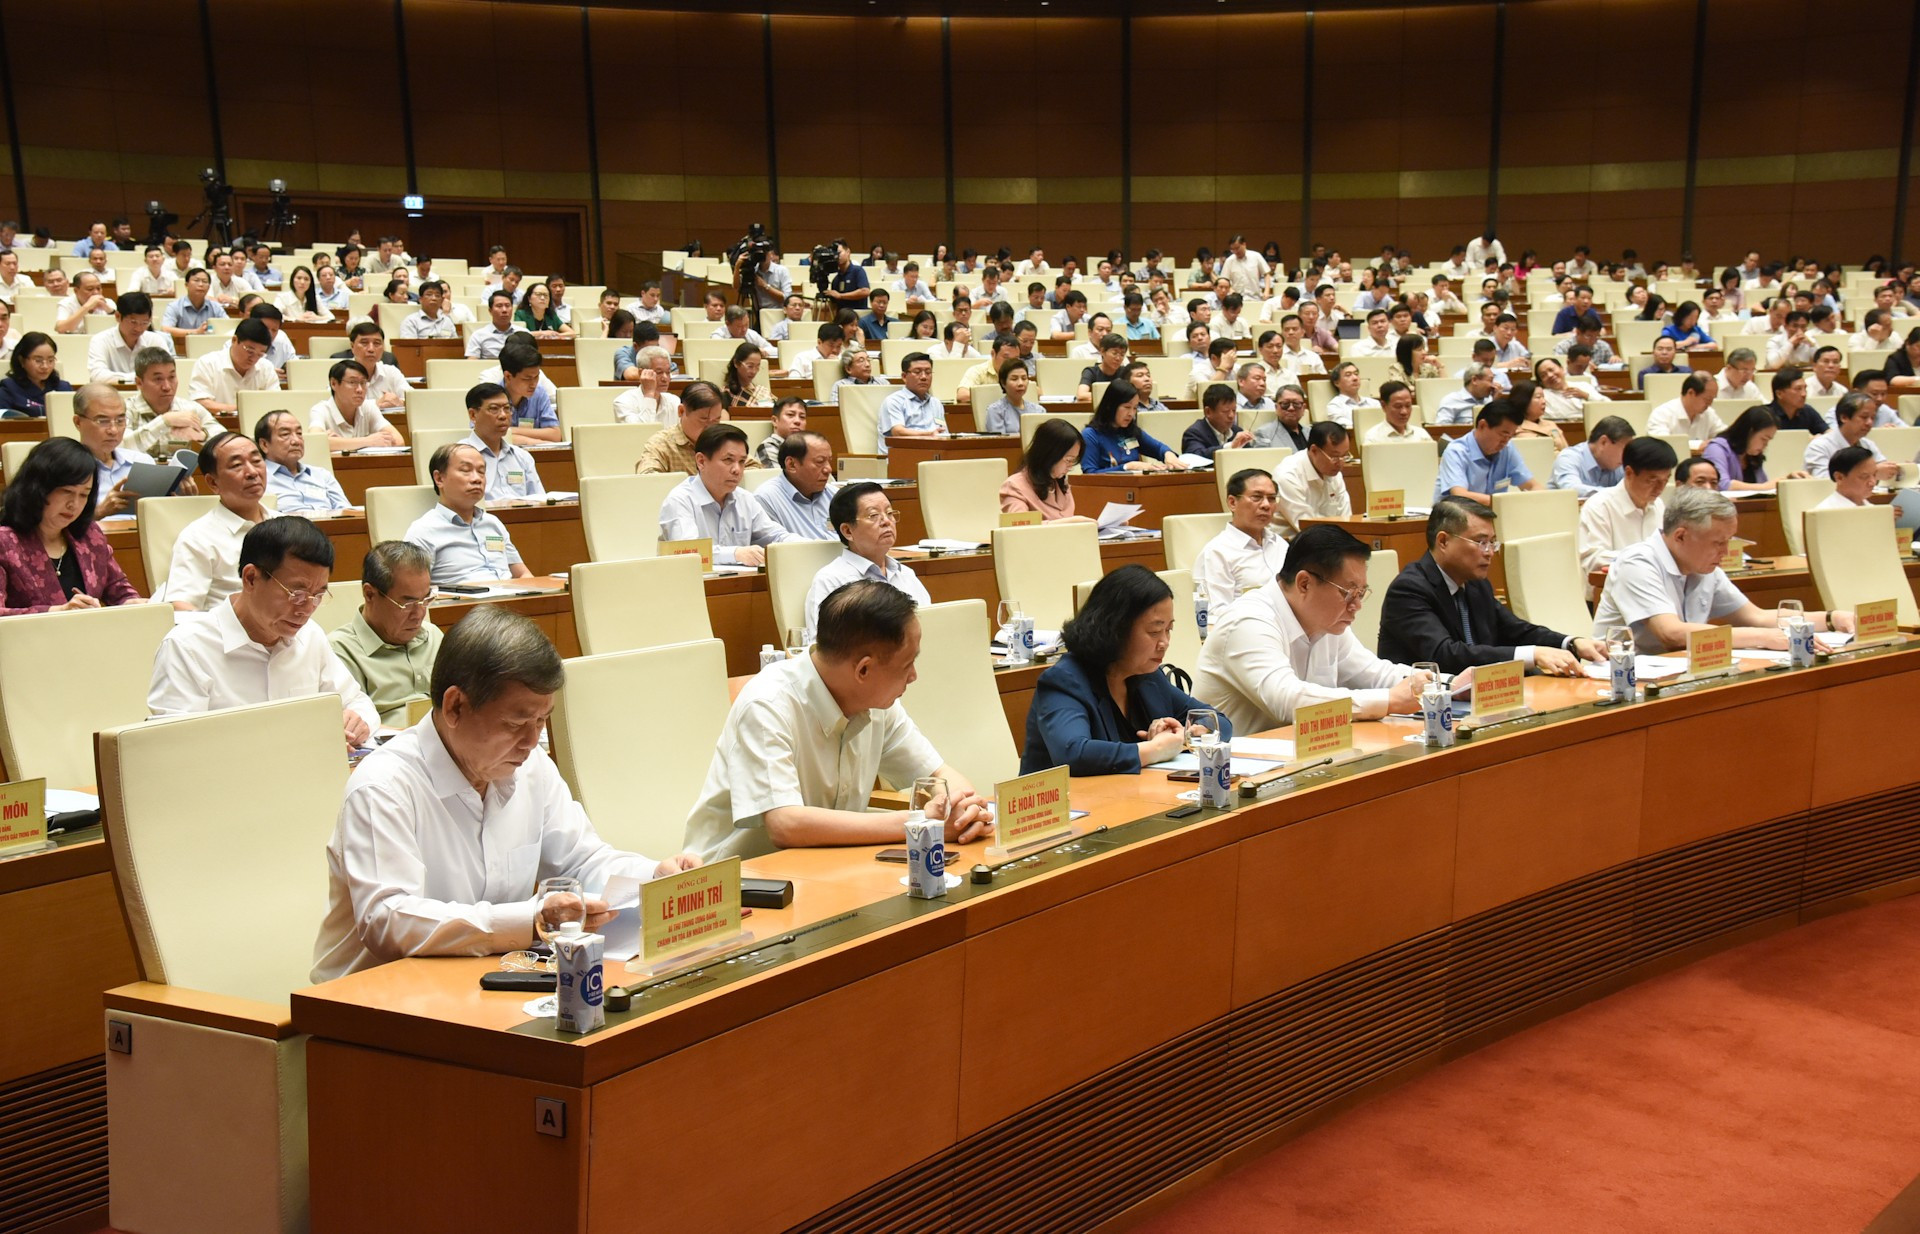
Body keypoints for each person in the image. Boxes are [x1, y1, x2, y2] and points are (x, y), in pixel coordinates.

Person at [312, 604, 701, 981]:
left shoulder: (531, 767)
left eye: (541, 721)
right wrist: (528, 921)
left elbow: (581, 861)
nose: (532, 742)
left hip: (485, 982)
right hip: (369, 1003)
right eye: (516, 723)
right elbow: (388, 919)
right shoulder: (383, 786)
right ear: (455, 706)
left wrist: (652, 876)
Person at [681, 579, 988, 861]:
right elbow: (785, 825)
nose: (913, 676)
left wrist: (963, 810)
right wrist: (921, 823)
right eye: (907, 664)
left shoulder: (878, 704)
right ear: (863, 670)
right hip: (738, 883)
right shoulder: (767, 704)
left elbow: (939, 774)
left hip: (823, 866)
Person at [148, 515, 376, 748]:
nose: (307, 609)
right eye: (296, 594)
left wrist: (356, 722)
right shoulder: (187, 647)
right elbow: (175, 747)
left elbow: (357, 702)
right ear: (251, 578)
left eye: (317, 595)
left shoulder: (310, 636)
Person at [1192, 525, 1430, 732]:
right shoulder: (1248, 621)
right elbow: (1287, 701)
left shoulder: (1327, 624)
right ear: (1304, 583)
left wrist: (1442, 685)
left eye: (1361, 593)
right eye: (1349, 593)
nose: (1357, 605)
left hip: (1304, 757)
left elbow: (1374, 674)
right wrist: (1388, 700)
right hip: (1234, 765)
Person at [1021, 566, 1229, 776]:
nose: (1164, 642)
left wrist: (1186, 734)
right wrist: (1155, 749)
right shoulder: (1064, 680)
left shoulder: (1148, 675)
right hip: (1064, 797)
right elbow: (1073, 754)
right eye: (1155, 631)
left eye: (1168, 630)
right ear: (1115, 629)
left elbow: (1219, 721)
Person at [1592, 486, 1854, 652]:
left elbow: (1757, 617)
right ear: (1681, 535)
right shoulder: (1637, 563)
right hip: (1622, 682)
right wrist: (1764, 638)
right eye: (1718, 543)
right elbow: (1671, 633)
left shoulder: (1703, 566)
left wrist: (1831, 619)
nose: (1726, 552)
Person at [1378, 497, 1603, 676]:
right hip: (1425, 705)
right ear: (1443, 541)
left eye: (1492, 542)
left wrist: (1571, 643)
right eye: (1481, 542)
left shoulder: (1476, 584)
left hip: (1481, 696)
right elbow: (1445, 655)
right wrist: (1533, 655)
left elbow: (1516, 631)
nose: (1489, 552)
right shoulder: (1409, 589)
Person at [0, 437, 142, 615]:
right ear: (38, 487)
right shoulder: (5, 542)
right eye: (67, 492)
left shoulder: (90, 535)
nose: (74, 504)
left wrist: (137, 603)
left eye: (84, 495)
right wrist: (58, 612)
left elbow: (119, 590)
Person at [329, 541, 442, 727]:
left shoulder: (433, 636)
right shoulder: (340, 651)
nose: (419, 614)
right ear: (370, 594)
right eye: (407, 604)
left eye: (426, 600)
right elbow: (350, 727)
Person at [657, 424, 793, 567]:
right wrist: (736, 554)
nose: (737, 470)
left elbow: (777, 536)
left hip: (739, 580)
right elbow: (689, 553)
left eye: (742, 462)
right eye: (728, 460)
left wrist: (806, 545)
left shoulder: (745, 499)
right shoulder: (680, 500)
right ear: (701, 461)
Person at [167, 432, 274, 611]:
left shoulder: (288, 525)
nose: (252, 472)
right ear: (213, 483)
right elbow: (180, 605)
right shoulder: (197, 538)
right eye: (237, 465)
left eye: (256, 461)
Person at [802, 482, 930, 631]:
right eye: (873, 515)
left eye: (889, 513)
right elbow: (823, 643)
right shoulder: (831, 581)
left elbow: (931, 626)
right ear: (848, 531)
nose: (886, 521)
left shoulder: (906, 575)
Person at [406, 442, 533, 585]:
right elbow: (413, 590)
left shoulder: (493, 523)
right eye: (466, 470)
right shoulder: (423, 531)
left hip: (508, 596)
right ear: (439, 478)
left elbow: (523, 574)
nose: (477, 479)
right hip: (462, 599)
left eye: (481, 471)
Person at [1578, 436, 1678, 575]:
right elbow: (1593, 559)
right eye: (1652, 480)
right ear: (1629, 473)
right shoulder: (1600, 506)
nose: (1660, 488)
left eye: (1665, 480)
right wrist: (1644, 558)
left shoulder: (1658, 505)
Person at [1195, 467, 1287, 617]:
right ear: (1232, 502)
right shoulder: (1217, 552)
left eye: (1271, 498)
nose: (1266, 505)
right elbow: (1215, 612)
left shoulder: (1280, 544)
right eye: (1257, 497)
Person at [1434, 398, 1541, 503]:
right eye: (1503, 435)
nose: (1505, 442)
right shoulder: (1456, 451)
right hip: (1457, 513)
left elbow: (1533, 486)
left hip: (1496, 512)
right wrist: (1505, 502)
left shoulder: (1507, 449)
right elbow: (1460, 496)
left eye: (1510, 437)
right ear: (1482, 425)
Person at [1081, 379, 1186, 473]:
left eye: (1135, 408)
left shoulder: (1131, 431)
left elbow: (1159, 448)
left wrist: (1168, 454)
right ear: (1110, 406)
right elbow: (1089, 474)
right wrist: (1127, 467)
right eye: (1127, 407)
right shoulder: (1091, 435)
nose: (1131, 413)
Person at [257, 411, 350, 514]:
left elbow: (347, 512)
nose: (296, 441)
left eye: (299, 433)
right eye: (285, 434)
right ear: (264, 445)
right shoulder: (258, 479)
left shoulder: (322, 475)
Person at [1270, 420, 1351, 537]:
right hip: (1292, 542)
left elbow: (1347, 519)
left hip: (1329, 540)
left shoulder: (1334, 471)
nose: (1340, 463)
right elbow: (1307, 528)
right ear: (1314, 450)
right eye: (1334, 457)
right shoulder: (1288, 475)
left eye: (1345, 456)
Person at [1000, 417, 1086, 521]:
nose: (1071, 466)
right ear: (1050, 455)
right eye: (1068, 460)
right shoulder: (1014, 486)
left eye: (1074, 460)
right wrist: (1069, 523)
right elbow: (1020, 527)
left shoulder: (1061, 483)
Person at [308, 359, 403, 453]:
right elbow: (315, 442)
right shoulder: (320, 410)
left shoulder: (369, 407)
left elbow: (399, 441)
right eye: (352, 382)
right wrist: (368, 441)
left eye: (363, 383)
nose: (360, 389)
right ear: (334, 384)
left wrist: (338, 443)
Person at [188, 318, 276, 415]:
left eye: (260, 354)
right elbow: (200, 402)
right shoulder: (207, 363)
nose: (254, 359)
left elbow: (275, 401)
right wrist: (241, 409)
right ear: (234, 340)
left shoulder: (266, 368)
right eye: (250, 351)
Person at [635, 381, 726, 475]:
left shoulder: (725, 442)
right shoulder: (661, 443)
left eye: (716, 420)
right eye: (704, 419)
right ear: (681, 411)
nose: (710, 428)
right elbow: (647, 477)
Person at [1803, 391, 1898, 481]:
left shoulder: (1868, 444)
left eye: (1872, 418)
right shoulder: (1819, 446)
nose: (1869, 422)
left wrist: (1895, 469)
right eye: (1864, 417)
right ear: (1844, 417)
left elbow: (1884, 469)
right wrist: (1872, 473)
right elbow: (1825, 482)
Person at [760, 431, 837, 540]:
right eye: (820, 462)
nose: (828, 469)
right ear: (791, 464)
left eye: (829, 461)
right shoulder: (766, 499)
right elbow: (775, 545)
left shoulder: (835, 495)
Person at [86, 291, 172, 383]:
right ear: (118, 316)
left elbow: (167, 372)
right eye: (133, 322)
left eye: (145, 323)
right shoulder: (100, 340)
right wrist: (139, 377)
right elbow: (97, 375)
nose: (139, 328)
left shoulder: (155, 340)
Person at [1702, 406, 1792, 492]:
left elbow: (1764, 485)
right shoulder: (1716, 449)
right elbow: (1721, 485)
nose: (1766, 445)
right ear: (1750, 432)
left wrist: (1786, 481)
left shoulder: (1753, 456)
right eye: (1764, 439)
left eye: (1768, 440)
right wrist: (1764, 487)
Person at [876, 353, 945, 455]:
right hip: (901, 457)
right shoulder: (894, 401)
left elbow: (943, 431)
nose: (924, 377)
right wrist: (930, 434)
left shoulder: (936, 403)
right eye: (917, 372)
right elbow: (898, 432)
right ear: (904, 377)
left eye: (928, 372)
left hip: (932, 456)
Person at [0, 333, 70, 416]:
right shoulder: (9, 388)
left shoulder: (63, 388)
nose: (45, 366)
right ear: (22, 360)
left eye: (50, 360)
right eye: (38, 360)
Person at [1645, 372, 1725, 445]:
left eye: (1712, 399)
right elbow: (1664, 446)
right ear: (1691, 393)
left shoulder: (1709, 413)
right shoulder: (1661, 414)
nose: (1710, 404)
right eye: (1707, 399)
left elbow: (1725, 437)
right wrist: (1699, 445)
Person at [1181, 384, 1251, 460]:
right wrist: (1230, 446)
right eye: (1225, 411)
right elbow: (1195, 456)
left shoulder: (1237, 431)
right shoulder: (1194, 433)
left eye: (1234, 410)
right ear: (1208, 412)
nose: (1231, 415)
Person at [1762, 365, 1828, 435]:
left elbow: (1828, 433)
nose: (1804, 394)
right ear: (1779, 394)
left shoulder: (1808, 411)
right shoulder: (1765, 415)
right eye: (1798, 389)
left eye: (1805, 388)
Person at [1815, 445, 1880, 510]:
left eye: (1874, 475)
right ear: (1839, 477)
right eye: (1864, 476)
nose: (1873, 482)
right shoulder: (1825, 512)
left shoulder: (1873, 509)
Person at [979, 357, 1032, 435]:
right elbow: (1000, 441)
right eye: (1014, 379)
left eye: (1024, 378)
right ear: (1003, 383)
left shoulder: (1039, 411)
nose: (1020, 383)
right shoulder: (995, 411)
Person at [1363, 380, 1423, 445]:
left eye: (1408, 406)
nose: (1404, 412)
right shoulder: (1373, 438)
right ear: (1384, 406)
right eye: (1398, 406)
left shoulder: (1422, 435)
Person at [756, 396, 809, 468]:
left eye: (802, 417)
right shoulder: (768, 447)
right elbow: (779, 475)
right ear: (775, 421)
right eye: (790, 415)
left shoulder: (808, 447)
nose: (797, 421)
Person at [465, 291, 517, 360]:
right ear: (490, 310)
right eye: (499, 306)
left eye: (507, 306)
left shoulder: (523, 332)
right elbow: (472, 361)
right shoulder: (478, 335)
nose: (504, 310)